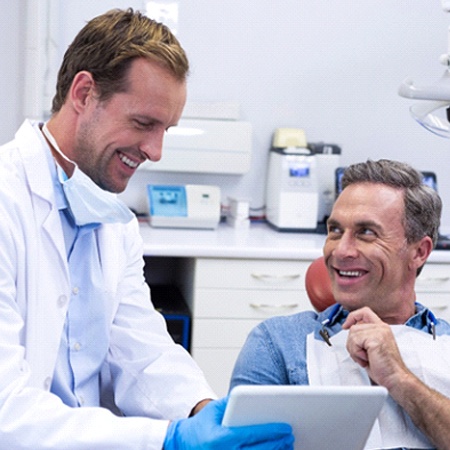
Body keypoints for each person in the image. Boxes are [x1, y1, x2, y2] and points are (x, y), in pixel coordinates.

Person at [0, 8, 294, 449]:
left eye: (166, 130)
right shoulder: (7, 202)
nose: (155, 152)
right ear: (84, 93)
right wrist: (169, 439)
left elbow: (141, 347)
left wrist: (202, 410)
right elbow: (8, 413)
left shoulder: (110, 219)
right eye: (143, 124)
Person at [230, 159, 450, 449]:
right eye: (334, 230)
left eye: (366, 233)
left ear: (419, 252)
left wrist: (399, 378)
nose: (341, 250)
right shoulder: (278, 344)